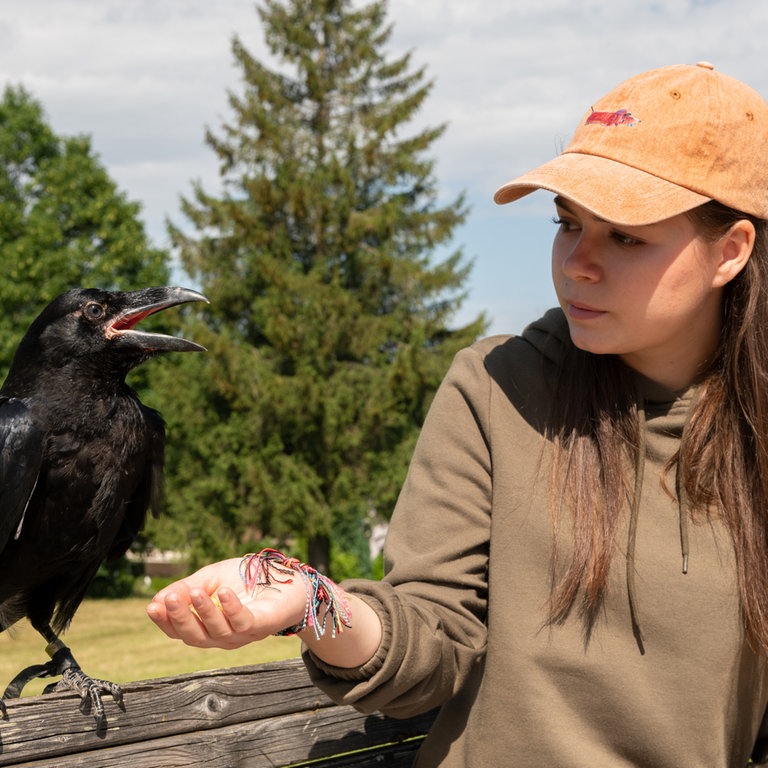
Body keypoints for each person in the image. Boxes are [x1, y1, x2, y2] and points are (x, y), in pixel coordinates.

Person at [146, 62, 768, 766]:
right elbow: (431, 638)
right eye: (568, 225)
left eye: (625, 236)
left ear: (731, 250)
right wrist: (309, 599)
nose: (577, 264)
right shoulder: (498, 386)